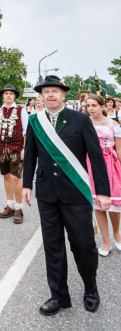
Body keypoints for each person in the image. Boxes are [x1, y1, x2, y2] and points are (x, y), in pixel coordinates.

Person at [23, 75, 111, 316]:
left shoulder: (81, 120)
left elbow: (95, 157)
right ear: (42, 96)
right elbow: (30, 154)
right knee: (53, 247)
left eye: (55, 91)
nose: (50, 95)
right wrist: (26, 185)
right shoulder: (35, 121)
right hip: (47, 194)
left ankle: (90, 289)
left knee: (83, 245)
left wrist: (103, 191)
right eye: (46, 91)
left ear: (63, 95)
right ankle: (59, 296)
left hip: (75, 193)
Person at [86, 95, 121, 256]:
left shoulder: (114, 125)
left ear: (102, 107)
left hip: (111, 166)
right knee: (98, 206)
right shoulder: (85, 124)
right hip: (92, 165)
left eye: (94, 105)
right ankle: (106, 242)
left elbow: (119, 150)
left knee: (114, 205)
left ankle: (116, 234)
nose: (90, 109)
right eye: (88, 106)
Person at [0, 84, 28, 224]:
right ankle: (10, 205)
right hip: (1, 147)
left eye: (11, 93)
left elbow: (26, 130)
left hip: (16, 147)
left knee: (15, 177)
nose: (8, 95)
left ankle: (19, 208)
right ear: (3, 96)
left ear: (15, 96)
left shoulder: (21, 110)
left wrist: (24, 148)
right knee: (6, 176)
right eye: (6, 93)